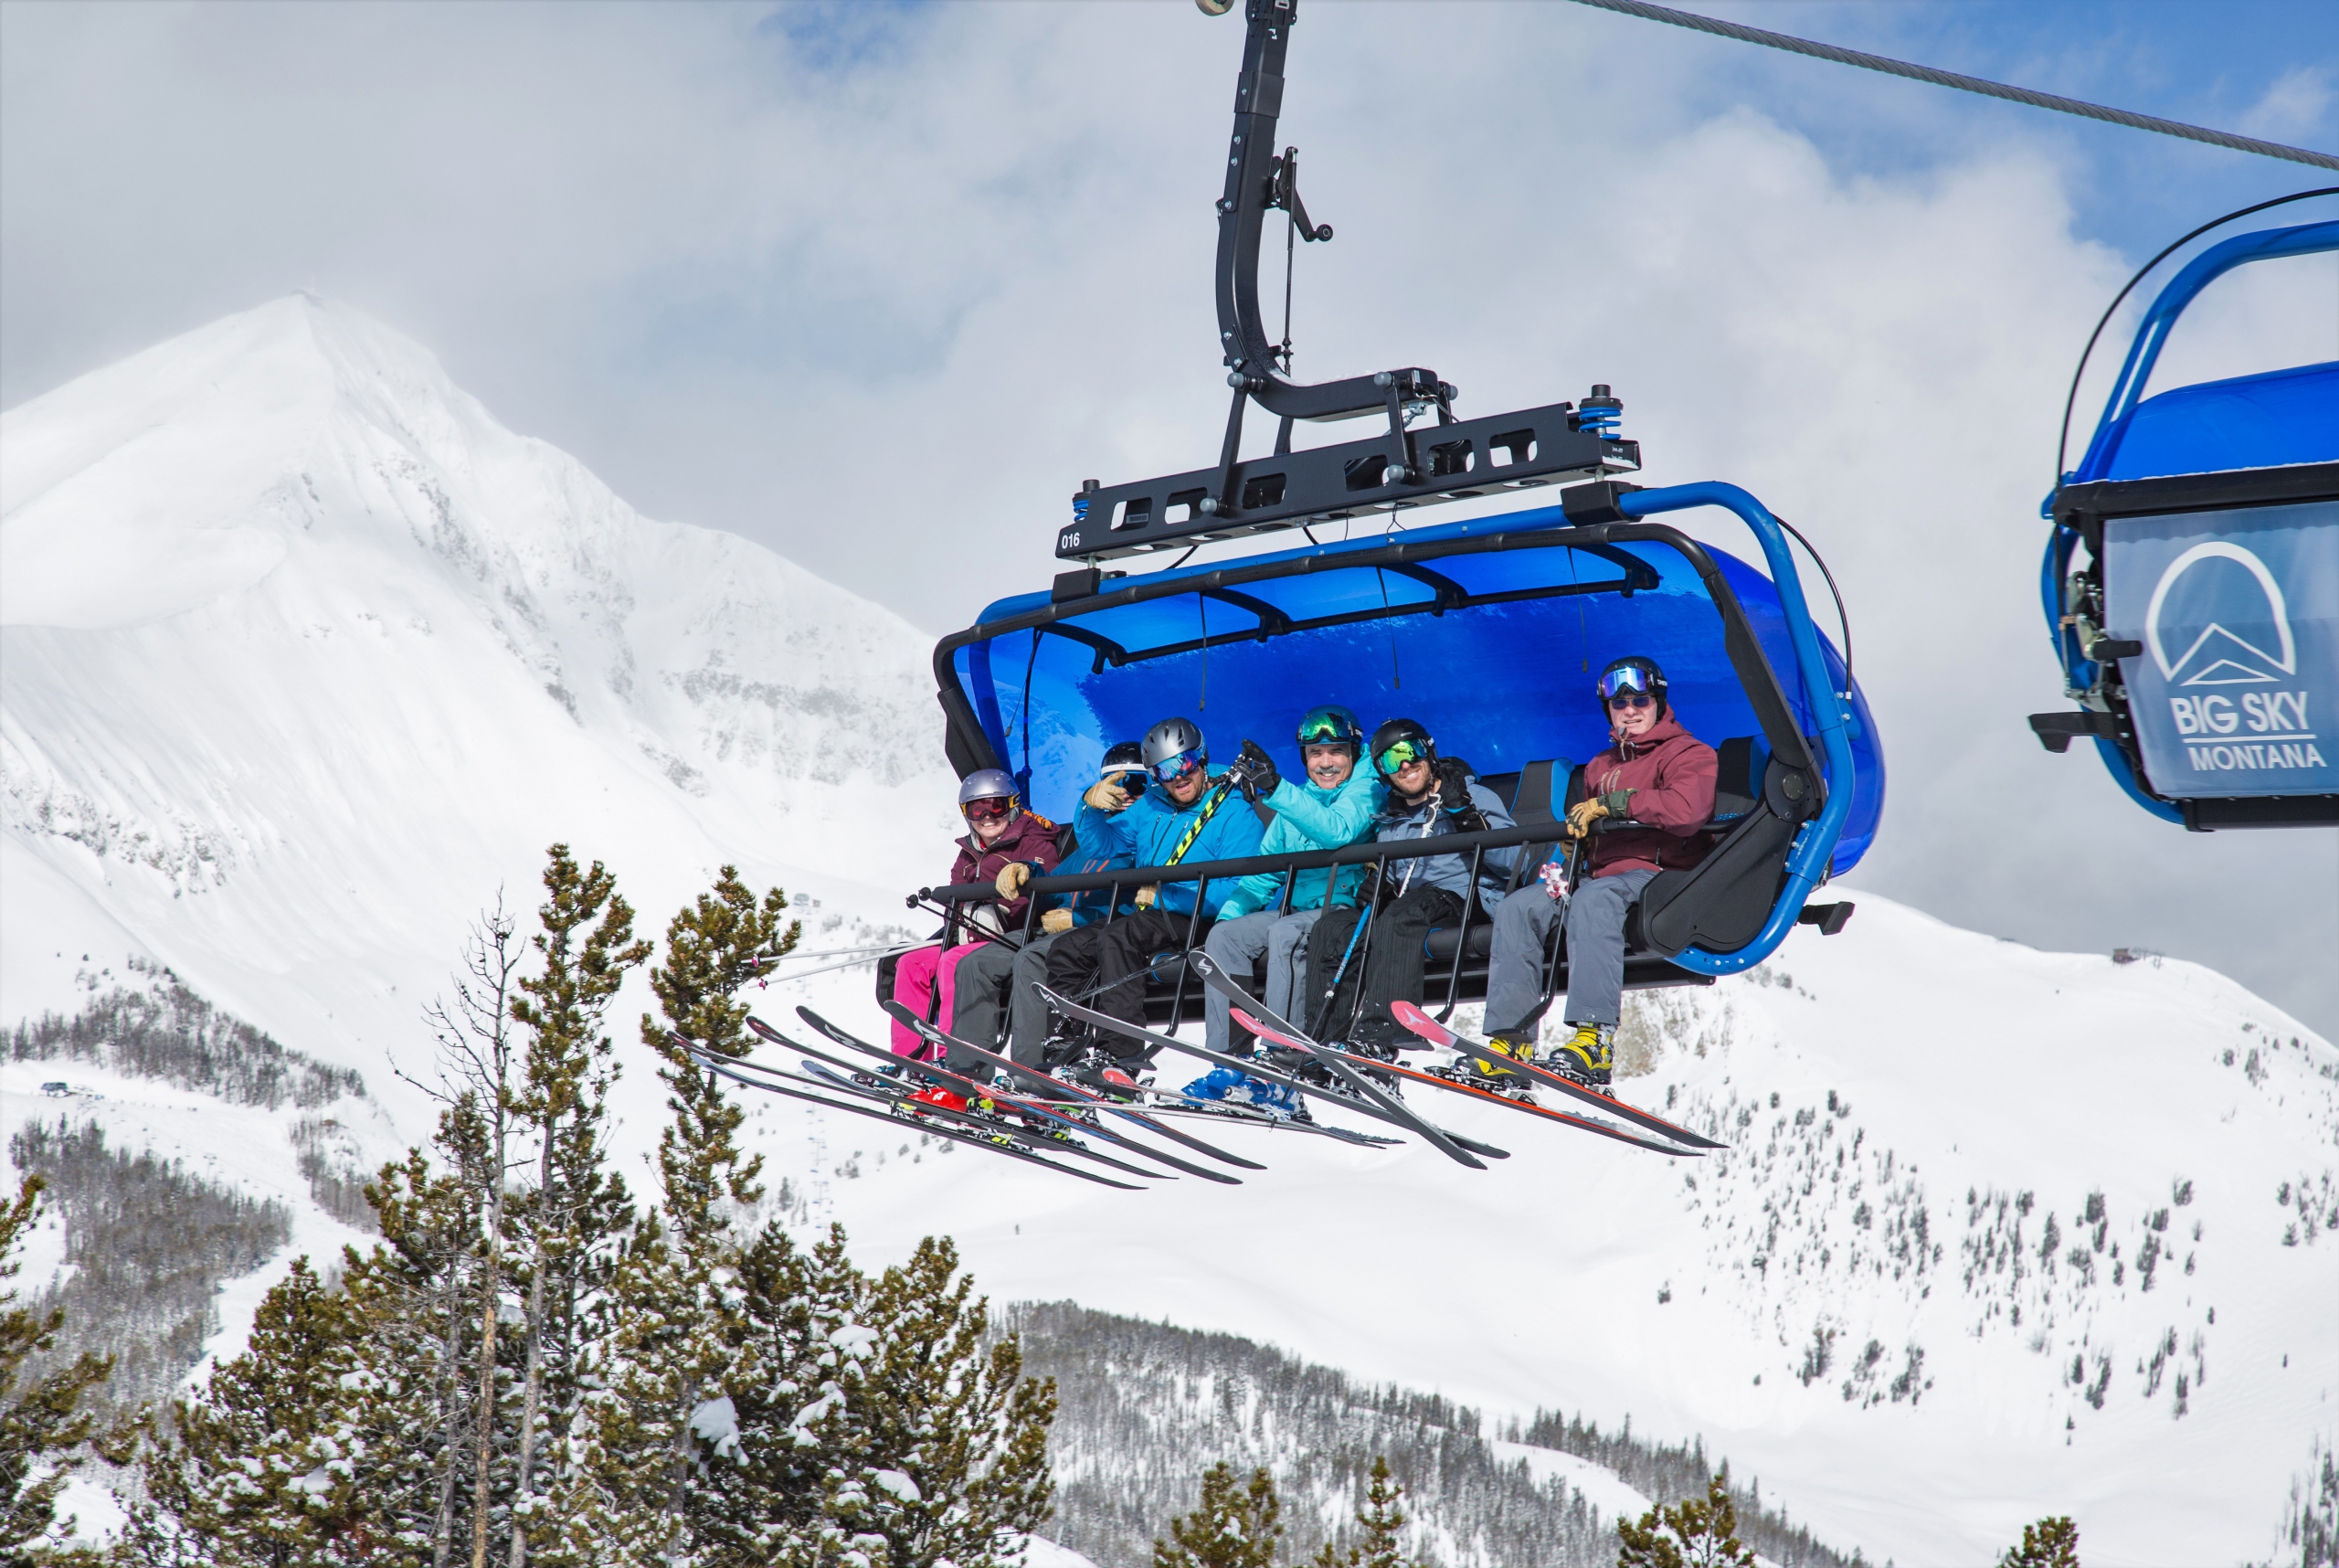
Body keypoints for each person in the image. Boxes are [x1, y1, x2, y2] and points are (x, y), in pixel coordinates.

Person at [1478, 655, 1717, 1086]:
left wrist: (1616, 804)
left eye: (1640, 701)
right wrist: (1573, 843)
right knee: (1518, 908)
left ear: (1658, 702)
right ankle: (1509, 1046)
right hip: (1598, 873)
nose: (1629, 711)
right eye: (1619, 704)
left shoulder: (1689, 754)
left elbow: (1687, 811)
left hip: (1658, 874)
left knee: (1594, 898)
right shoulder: (1599, 767)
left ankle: (1594, 1039)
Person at [1024, 715, 1266, 1082]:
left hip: (1199, 919)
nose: (1177, 777)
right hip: (1153, 914)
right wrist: (1090, 809)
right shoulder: (1151, 806)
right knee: (1069, 948)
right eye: (1164, 771)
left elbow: (1242, 889)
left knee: (1119, 937)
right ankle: (1067, 1043)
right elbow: (1102, 845)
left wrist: (1168, 895)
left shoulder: (1233, 812)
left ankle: (1120, 1055)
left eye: (1183, 763)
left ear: (1201, 758)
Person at [1186, 705, 1381, 1110]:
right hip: (1302, 910)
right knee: (1225, 939)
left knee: (1285, 933)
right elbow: (1263, 875)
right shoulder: (1298, 801)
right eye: (1315, 753)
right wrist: (1226, 918)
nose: (1325, 762)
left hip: (1345, 911)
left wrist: (1276, 789)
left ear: (1354, 752)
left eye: (1336, 751)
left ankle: (1283, 1062)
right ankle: (1230, 1061)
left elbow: (1336, 831)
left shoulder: (1367, 788)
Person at [1302, 719, 1518, 1054]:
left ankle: (1380, 1035)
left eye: (1410, 751)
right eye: (1390, 760)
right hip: (1412, 902)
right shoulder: (1392, 817)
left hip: (1463, 898)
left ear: (1428, 751)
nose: (1404, 765)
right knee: (1332, 927)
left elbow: (1513, 860)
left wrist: (1466, 817)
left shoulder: (1471, 795)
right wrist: (1382, 885)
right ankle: (1322, 1042)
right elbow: (1400, 875)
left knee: (1405, 913)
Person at [948, 744, 1143, 1074]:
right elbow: (1056, 885)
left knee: (1032, 960)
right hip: (1049, 932)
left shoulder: (1148, 841)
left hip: (1091, 934)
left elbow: (1142, 912)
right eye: (1113, 785)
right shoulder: (1094, 846)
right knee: (974, 964)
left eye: (1134, 784)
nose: (1122, 795)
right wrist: (1028, 871)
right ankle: (965, 1073)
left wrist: (1080, 917)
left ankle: (1033, 1075)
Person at [888, 769, 1061, 1079]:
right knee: (911, 963)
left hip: (1015, 937)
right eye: (975, 809)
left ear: (1012, 804)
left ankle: (951, 1056)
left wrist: (999, 909)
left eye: (994, 806)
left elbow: (1043, 882)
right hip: (972, 937)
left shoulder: (1033, 840)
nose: (986, 816)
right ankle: (911, 1057)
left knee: (955, 961)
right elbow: (958, 892)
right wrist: (961, 922)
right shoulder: (968, 851)